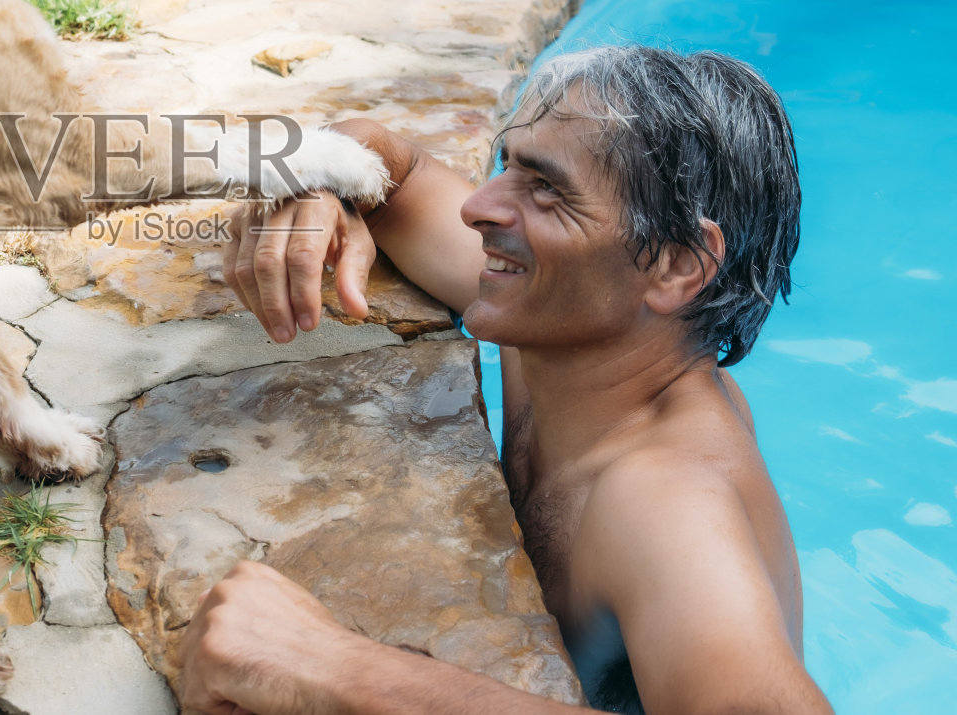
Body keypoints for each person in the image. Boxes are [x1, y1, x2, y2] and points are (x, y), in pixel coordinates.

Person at [181, 45, 834, 715]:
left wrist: (335, 667)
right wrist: (316, 191)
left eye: (546, 187)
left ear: (673, 265)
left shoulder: (663, 502)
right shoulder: (568, 325)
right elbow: (394, 171)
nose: (480, 207)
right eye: (508, 164)